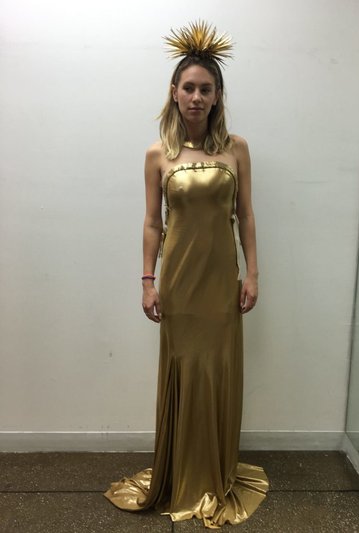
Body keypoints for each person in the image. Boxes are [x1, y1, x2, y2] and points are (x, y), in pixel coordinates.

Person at [103, 21, 269, 529]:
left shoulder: (236, 148)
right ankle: (179, 473)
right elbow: (152, 222)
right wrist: (147, 281)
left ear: (218, 97)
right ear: (174, 93)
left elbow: (246, 216)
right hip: (178, 283)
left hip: (220, 282)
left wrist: (253, 274)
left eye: (206, 89)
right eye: (189, 88)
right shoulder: (158, 154)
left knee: (216, 371)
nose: (197, 97)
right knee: (183, 369)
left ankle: (214, 470)